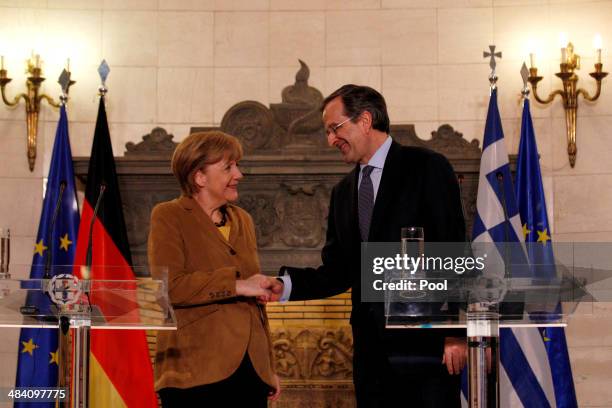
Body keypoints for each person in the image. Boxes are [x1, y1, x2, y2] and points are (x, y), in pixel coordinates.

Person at [266, 85, 467, 407]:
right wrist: (284, 286)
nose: (331, 139)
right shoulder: (343, 192)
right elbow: (339, 271)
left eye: (335, 128)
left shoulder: (426, 166)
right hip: (371, 353)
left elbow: (453, 250)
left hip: (425, 346)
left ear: (365, 119)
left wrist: (456, 333)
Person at [148, 131, 281, 407]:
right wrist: (236, 284)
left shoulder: (243, 219)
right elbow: (169, 288)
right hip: (195, 370)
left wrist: (269, 367)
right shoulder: (168, 216)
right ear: (200, 177)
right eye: (229, 167)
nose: (239, 174)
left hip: (251, 371)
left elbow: (255, 306)